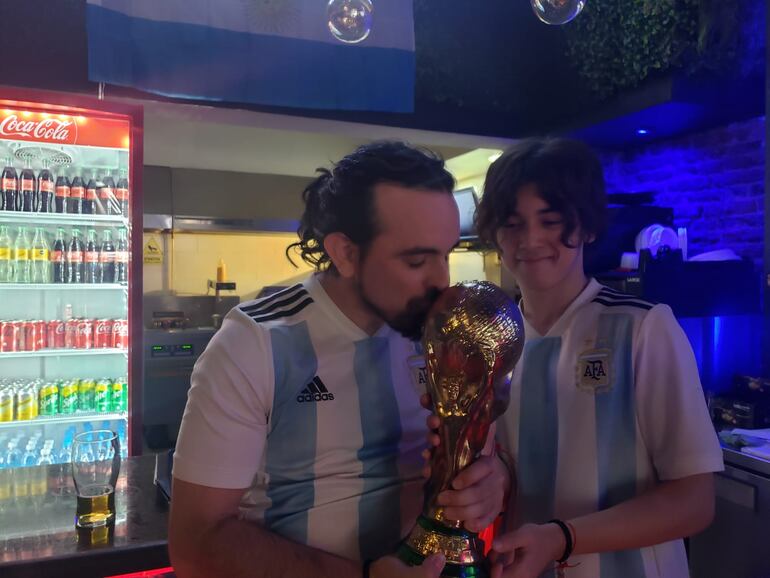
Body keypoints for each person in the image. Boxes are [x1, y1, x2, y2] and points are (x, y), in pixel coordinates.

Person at [168, 141, 512, 578]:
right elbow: (197, 544)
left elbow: (486, 457)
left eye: (445, 255)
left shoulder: (442, 333)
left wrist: (489, 482)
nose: (441, 280)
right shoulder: (255, 343)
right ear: (345, 253)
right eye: (415, 260)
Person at [474, 137, 724, 578]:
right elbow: (501, 466)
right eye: (512, 224)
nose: (530, 240)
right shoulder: (489, 340)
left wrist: (560, 537)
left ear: (586, 228)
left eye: (551, 221)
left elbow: (694, 501)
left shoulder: (644, 327)